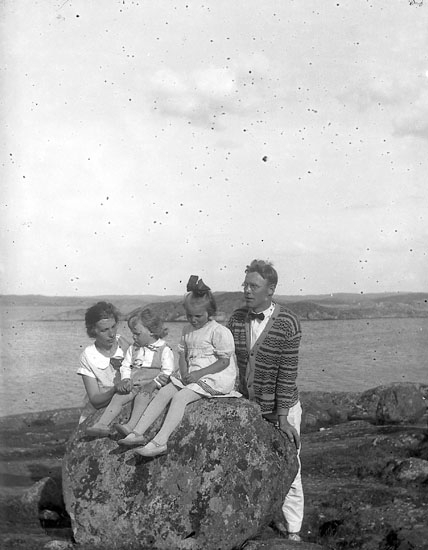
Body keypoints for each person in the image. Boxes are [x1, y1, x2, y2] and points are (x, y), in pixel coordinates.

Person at [117, 275, 239, 457]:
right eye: (189, 315)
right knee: (165, 392)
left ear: (210, 312)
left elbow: (224, 361)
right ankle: (137, 432)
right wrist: (184, 373)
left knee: (180, 397)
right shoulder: (187, 330)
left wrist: (198, 374)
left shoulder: (218, 331)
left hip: (214, 376)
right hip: (192, 374)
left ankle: (160, 441)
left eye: (198, 316)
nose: (193, 320)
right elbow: (182, 355)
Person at [227, 260, 304, 543]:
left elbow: (288, 373)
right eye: (245, 285)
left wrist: (283, 418)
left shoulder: (288, 322)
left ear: (270, 290)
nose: (247, 290)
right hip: (250, 409)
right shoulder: (236, 319)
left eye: (254, 286)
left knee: (291, 469)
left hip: (282, 410)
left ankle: (294, 531)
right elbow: (229, 363)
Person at [86, 308, 175, 437]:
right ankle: (102, 424)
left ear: (151, 331)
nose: (133, 337)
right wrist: (126, 379)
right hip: (134, 384)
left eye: (137, 334)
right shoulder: (133, 348)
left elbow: (167, 371)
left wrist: (154, 383)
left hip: (151, 387)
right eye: (133, 333)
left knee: (141, 398)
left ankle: (130, 425)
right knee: (118, 396)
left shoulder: (164, 350)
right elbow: (126, 366)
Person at [77, 301, 130, 424]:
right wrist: (115, 389)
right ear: (93, 331)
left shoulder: (125, 344)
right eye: (104, 330)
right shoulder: (88, 356)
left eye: (113, 327)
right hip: (97, 411)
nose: (112, 334)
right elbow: (95, 399)